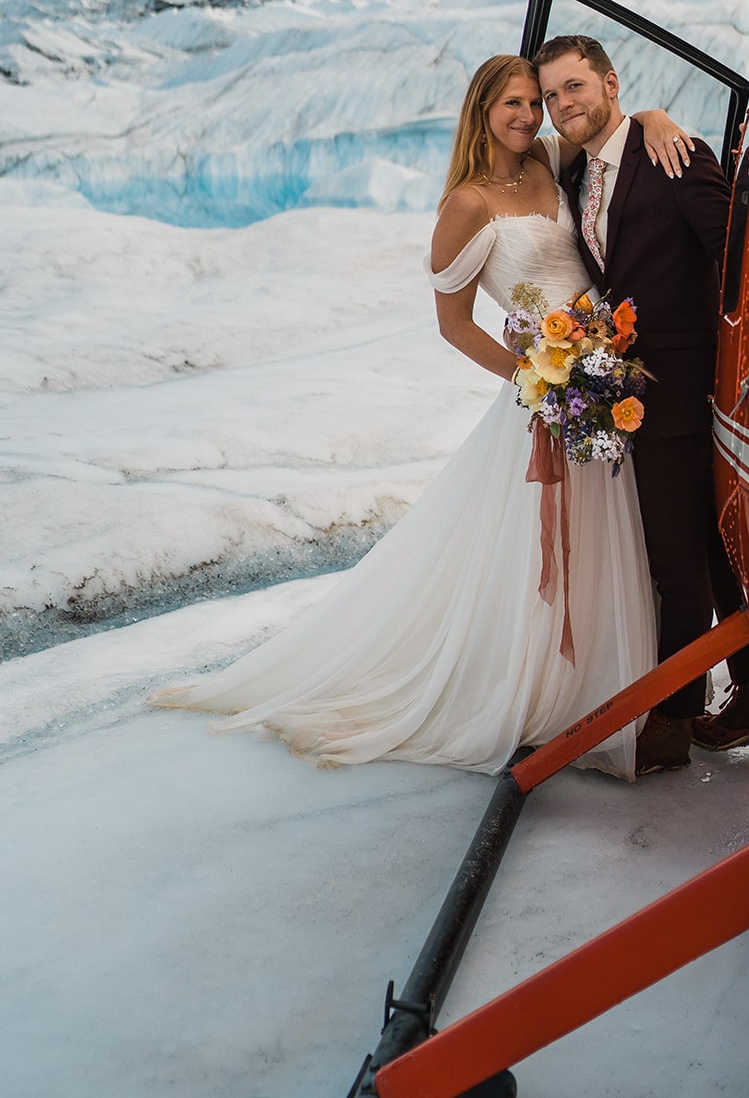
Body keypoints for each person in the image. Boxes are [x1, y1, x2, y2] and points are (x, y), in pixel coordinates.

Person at [148, 56, 689, 780]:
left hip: (597, 383)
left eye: (534, 102)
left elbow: (611, 134)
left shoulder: (550, 163)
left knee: (605, 545)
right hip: (548, 395)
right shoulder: (466, 204)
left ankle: (613, 694)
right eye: (512, 104)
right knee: (544, 554)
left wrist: (654, 118)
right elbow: (455, 325)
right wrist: (536, 380)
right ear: (481, 111)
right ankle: (552, 695)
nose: (528, 116)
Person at [534, 35, 749, 773]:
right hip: (630, 393)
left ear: (610, 82)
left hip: (685, 390)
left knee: (674, 563)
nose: (561, 105)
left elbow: (736, 257)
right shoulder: (577, 170)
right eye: (551, 95)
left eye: (574, 87)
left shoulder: (674, 155)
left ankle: (672, 723)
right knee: (705, 552)